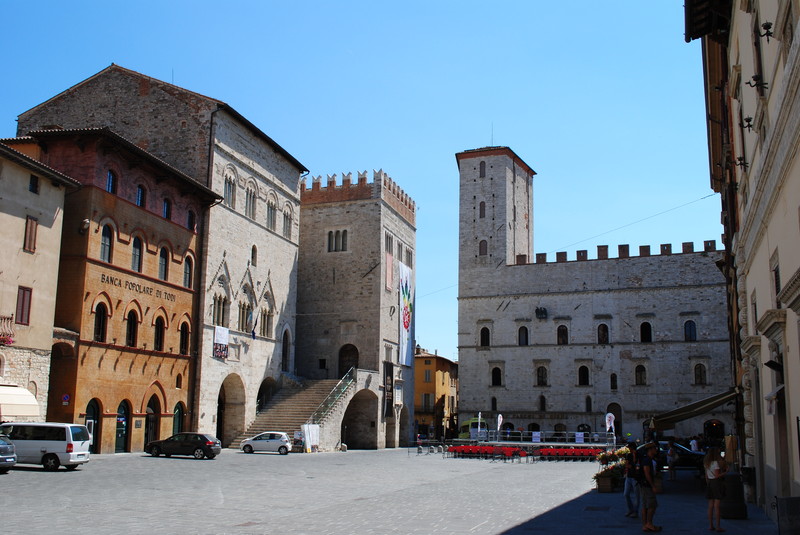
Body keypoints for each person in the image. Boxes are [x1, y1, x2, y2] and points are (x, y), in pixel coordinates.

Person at [639, 443, 662, 532]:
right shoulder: (647, 460)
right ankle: (649, 523)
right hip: (647, 485)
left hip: (643, 485)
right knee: (652, 505)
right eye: (654, 449)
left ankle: (645, 525)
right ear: (650, 450)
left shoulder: (646, 459)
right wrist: (653, 485)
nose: (656, 450)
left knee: (645, 505)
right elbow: (647, 473)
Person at [704, 447, 727, 532]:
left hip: (710, 483)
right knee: (717, 506)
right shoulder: (715, 463)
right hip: (716, 483)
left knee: (710, 506)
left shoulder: (707, 463)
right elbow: (717, 475)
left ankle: (710, 525)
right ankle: (718, 526)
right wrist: (725, 472)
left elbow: (706, 476)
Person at [623, 442, 640, 518]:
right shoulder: (629, 455)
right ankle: (631, 509)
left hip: (636, 477)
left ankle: (635, 511)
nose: (629, 449)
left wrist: (634, 457)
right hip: (629, 476)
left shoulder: (638, 455)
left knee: (637, 495)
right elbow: (627, 464)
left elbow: (637, 465)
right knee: (626, 494)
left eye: (630, 448)